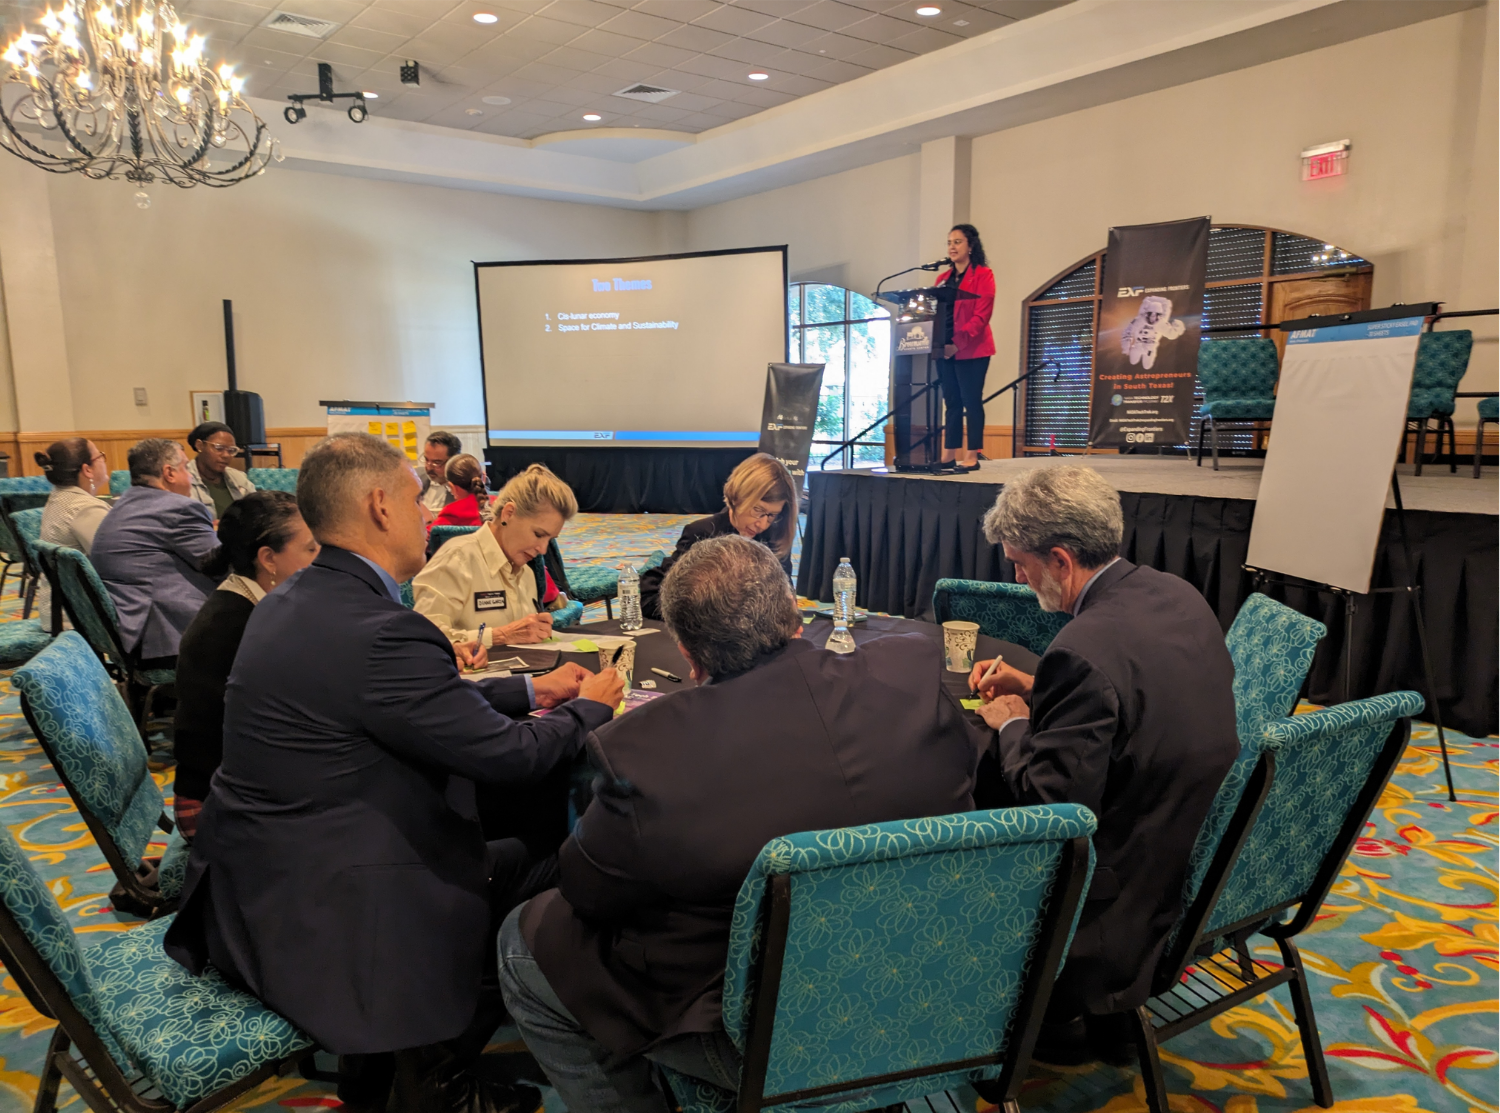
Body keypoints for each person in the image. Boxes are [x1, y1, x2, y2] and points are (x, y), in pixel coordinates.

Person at [164, 432, 624, 1113]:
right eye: (416, 499)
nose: (427, 514)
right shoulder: (381, 626)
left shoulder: (292, 599)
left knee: (508, 844)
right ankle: (436, 1080)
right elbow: (505, 754)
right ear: (381, 505)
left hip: (254, 876)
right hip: (331, 901)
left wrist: (533, 692)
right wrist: (586, 710)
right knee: (570, 864)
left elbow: (412, 700)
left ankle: (408, 1061)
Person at [497, 534, 987, 1113]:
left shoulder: (645, 753)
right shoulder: (915, 678)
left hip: (766, 1037)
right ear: (796, 617)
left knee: (523, 940)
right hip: (941, 1000)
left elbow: (588, 891)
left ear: (687, 653)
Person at [966, 465, 1238, 1064]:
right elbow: (1135, 712)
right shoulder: (1178, 594)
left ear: (1060, 561)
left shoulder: (1082, 649)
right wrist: (1039, 687)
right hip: (1183, 859)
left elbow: (1049, 808)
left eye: (1020, 563)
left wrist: (1013, 719)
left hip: (1109, 908)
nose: (1016, 574)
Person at [170, 492, 319, 838]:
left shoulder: (248, 602)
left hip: (236, 785)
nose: (321, 557)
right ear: (268, 558)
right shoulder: (238, 626)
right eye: (311, 549)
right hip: (217, 808)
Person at [413, 463, 576, 649]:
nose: (543, 549)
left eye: (550, 539)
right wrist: (500, 636)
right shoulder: (457, 560)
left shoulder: (526, 574)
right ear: (508, 513)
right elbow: (423, 642)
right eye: (538, 534)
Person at [90, 438, 220, 662]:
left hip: (131, 628)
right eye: (186, 469)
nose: (190, 477)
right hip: (167, 633)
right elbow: (221, 565)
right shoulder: (180, 508)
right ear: (169, 473)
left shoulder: (123, 503)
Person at [639, 452, 796, 620]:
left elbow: (784, 599)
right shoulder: (702, 533)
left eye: (771, 515)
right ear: (738, 496)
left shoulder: (774, 539)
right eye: (758, 510)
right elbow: (654, 598)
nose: (763, 524)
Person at [934, 223, 996, 472]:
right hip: (944, 349)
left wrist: (957, 344)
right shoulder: (941, 280)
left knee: (971, 401)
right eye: (949, 242)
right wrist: (940, 344)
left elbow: (982, 317)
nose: (952, 246)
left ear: (970, 246)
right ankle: (948, 454)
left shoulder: (983, 275)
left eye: (957, 242)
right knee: (951, 403)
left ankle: (972, 454)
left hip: (973, 350)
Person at [33, 437, 110, 632]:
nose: (104, 459)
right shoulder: (85, 508)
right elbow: (117, 562)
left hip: (58, 610)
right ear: (87, 469)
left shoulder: (60, 496)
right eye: (100, 455)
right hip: (80, 615)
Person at [186, 421, 256, 518]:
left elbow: (257, 512)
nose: (226, 455)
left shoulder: (239, 478)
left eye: (231, 450)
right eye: (219, 448)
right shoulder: (183, 480)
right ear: (200, 446)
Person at [431, 454, 490, 530]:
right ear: (484, 479)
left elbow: (427, 536)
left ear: (452, 488)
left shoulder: (451, 513)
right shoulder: (500, 506)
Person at [421, 430, 464, 516]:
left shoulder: (465, 488)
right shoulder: (416, 478)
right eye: (426, 460)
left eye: (437, 462)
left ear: (454, 461)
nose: (428, 467)